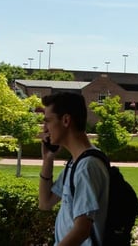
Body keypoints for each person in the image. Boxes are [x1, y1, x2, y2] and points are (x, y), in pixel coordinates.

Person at [38, 92, 110, 246]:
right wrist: (48, 159)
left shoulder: (87, 166)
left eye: (48, 121)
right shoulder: (76, 162)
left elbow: (82, 229)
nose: (44, 129)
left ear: (65, 120)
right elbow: (45, 203)